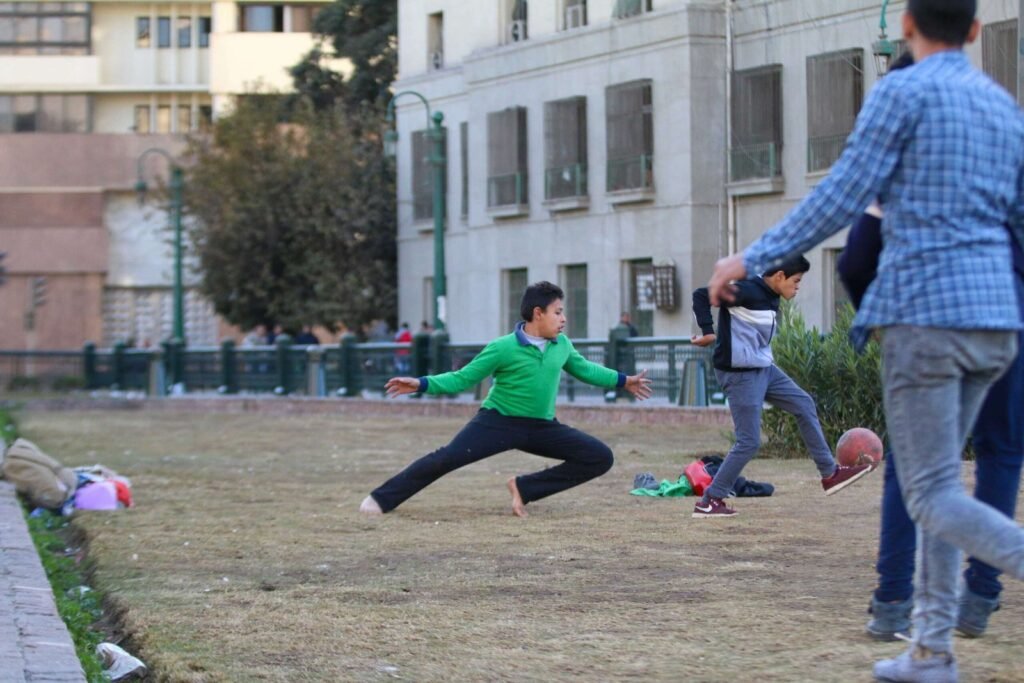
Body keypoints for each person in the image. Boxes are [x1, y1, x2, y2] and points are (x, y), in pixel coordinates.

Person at [706, 1, 1024, 678]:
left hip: (926, 318)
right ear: (974, 29)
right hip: (997, 322)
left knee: (931, 494)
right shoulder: (1003, 106)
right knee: (941, 485)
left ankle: (933, 644)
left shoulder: (901, 92)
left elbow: (842, 194)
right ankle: (932, 650)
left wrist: (751, 257)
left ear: (907, 24)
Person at [359, 281, 653, 518]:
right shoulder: (503, 347)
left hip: (542, 426)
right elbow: (463, 378)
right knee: (446, 458)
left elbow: (586, 370)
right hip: (498, 422)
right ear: (538, 313)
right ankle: (380, 499)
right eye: (558, 312)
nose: (563, 319)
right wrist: (422, 383)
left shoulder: (561, 344)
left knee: (600, 457)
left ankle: (524, 488)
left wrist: (624, 380)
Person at [690, 255, 874, 518]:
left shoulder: (771, 294)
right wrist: (708, 331)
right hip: (740, 375)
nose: (798, 287)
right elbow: (701, 294)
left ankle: (830, 474)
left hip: (764, 369)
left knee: (803, 403)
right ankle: (710, 500)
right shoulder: (746, 290)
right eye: (796, 281)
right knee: (749, 441)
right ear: (779, 277)